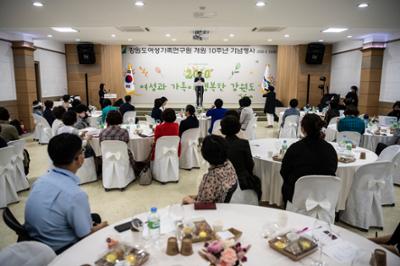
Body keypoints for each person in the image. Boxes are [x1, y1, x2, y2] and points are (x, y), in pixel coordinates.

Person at [24, 133, 108, 253]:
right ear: (78, 159)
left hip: (35, 242)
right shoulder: (75, 195)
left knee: (94, 217)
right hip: (60, 249)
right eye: (82, 151)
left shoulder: (41, 180)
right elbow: (85, 235)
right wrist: (104, 226)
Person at [280, 114, 338, 206]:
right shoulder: (330, 149)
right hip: (323, 195)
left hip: (296, 196)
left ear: (303, 129)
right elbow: (333, 169)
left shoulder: (295, 148)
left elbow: (284, 172)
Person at [182, 135, 238, 204]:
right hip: (222, 205)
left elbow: (202, 205)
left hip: (210, 211)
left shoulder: (211, 177)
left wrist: (187, 199)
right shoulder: (229, 165)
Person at [221, 115, 261, 200]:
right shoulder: (244, 143)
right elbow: (250, 164)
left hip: (224, 179)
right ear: (238, 128)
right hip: (242, 179)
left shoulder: (220, 144)